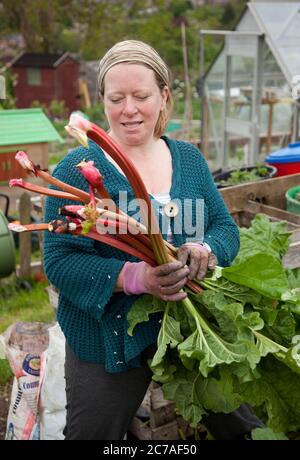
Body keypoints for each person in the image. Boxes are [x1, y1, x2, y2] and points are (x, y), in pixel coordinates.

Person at [43, 40, 262, 440]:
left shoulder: (189, 159)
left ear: (163, 96)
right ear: (102, 101)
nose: (128, 109)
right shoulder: (77, 169)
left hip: (191, 328)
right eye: (116, 98)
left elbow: (224, 229)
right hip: (106, 334)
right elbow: (60, 261)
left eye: (141, 96)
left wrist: (206, 250)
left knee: (245, 428)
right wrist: (137, 279)